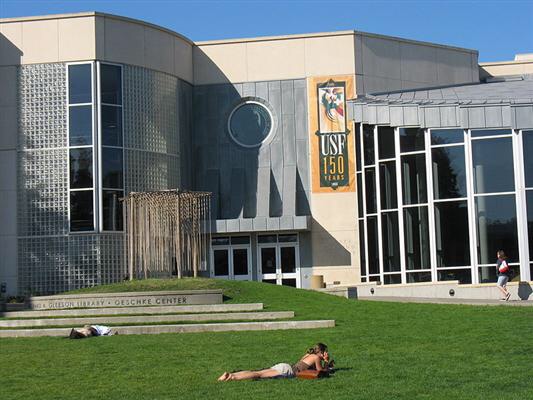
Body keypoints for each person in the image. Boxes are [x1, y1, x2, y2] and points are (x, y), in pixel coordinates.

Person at [217, 343, 332, 381]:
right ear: (321, 352)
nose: (326, 353)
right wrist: (326, 362)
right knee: (258, 375)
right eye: (325, 351)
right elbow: (320, 372)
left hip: (285, 366)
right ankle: (232, 377)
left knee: (258, 372)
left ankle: (230, 375)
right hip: (288, 370)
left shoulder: (309, 354)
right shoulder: (316, 358)